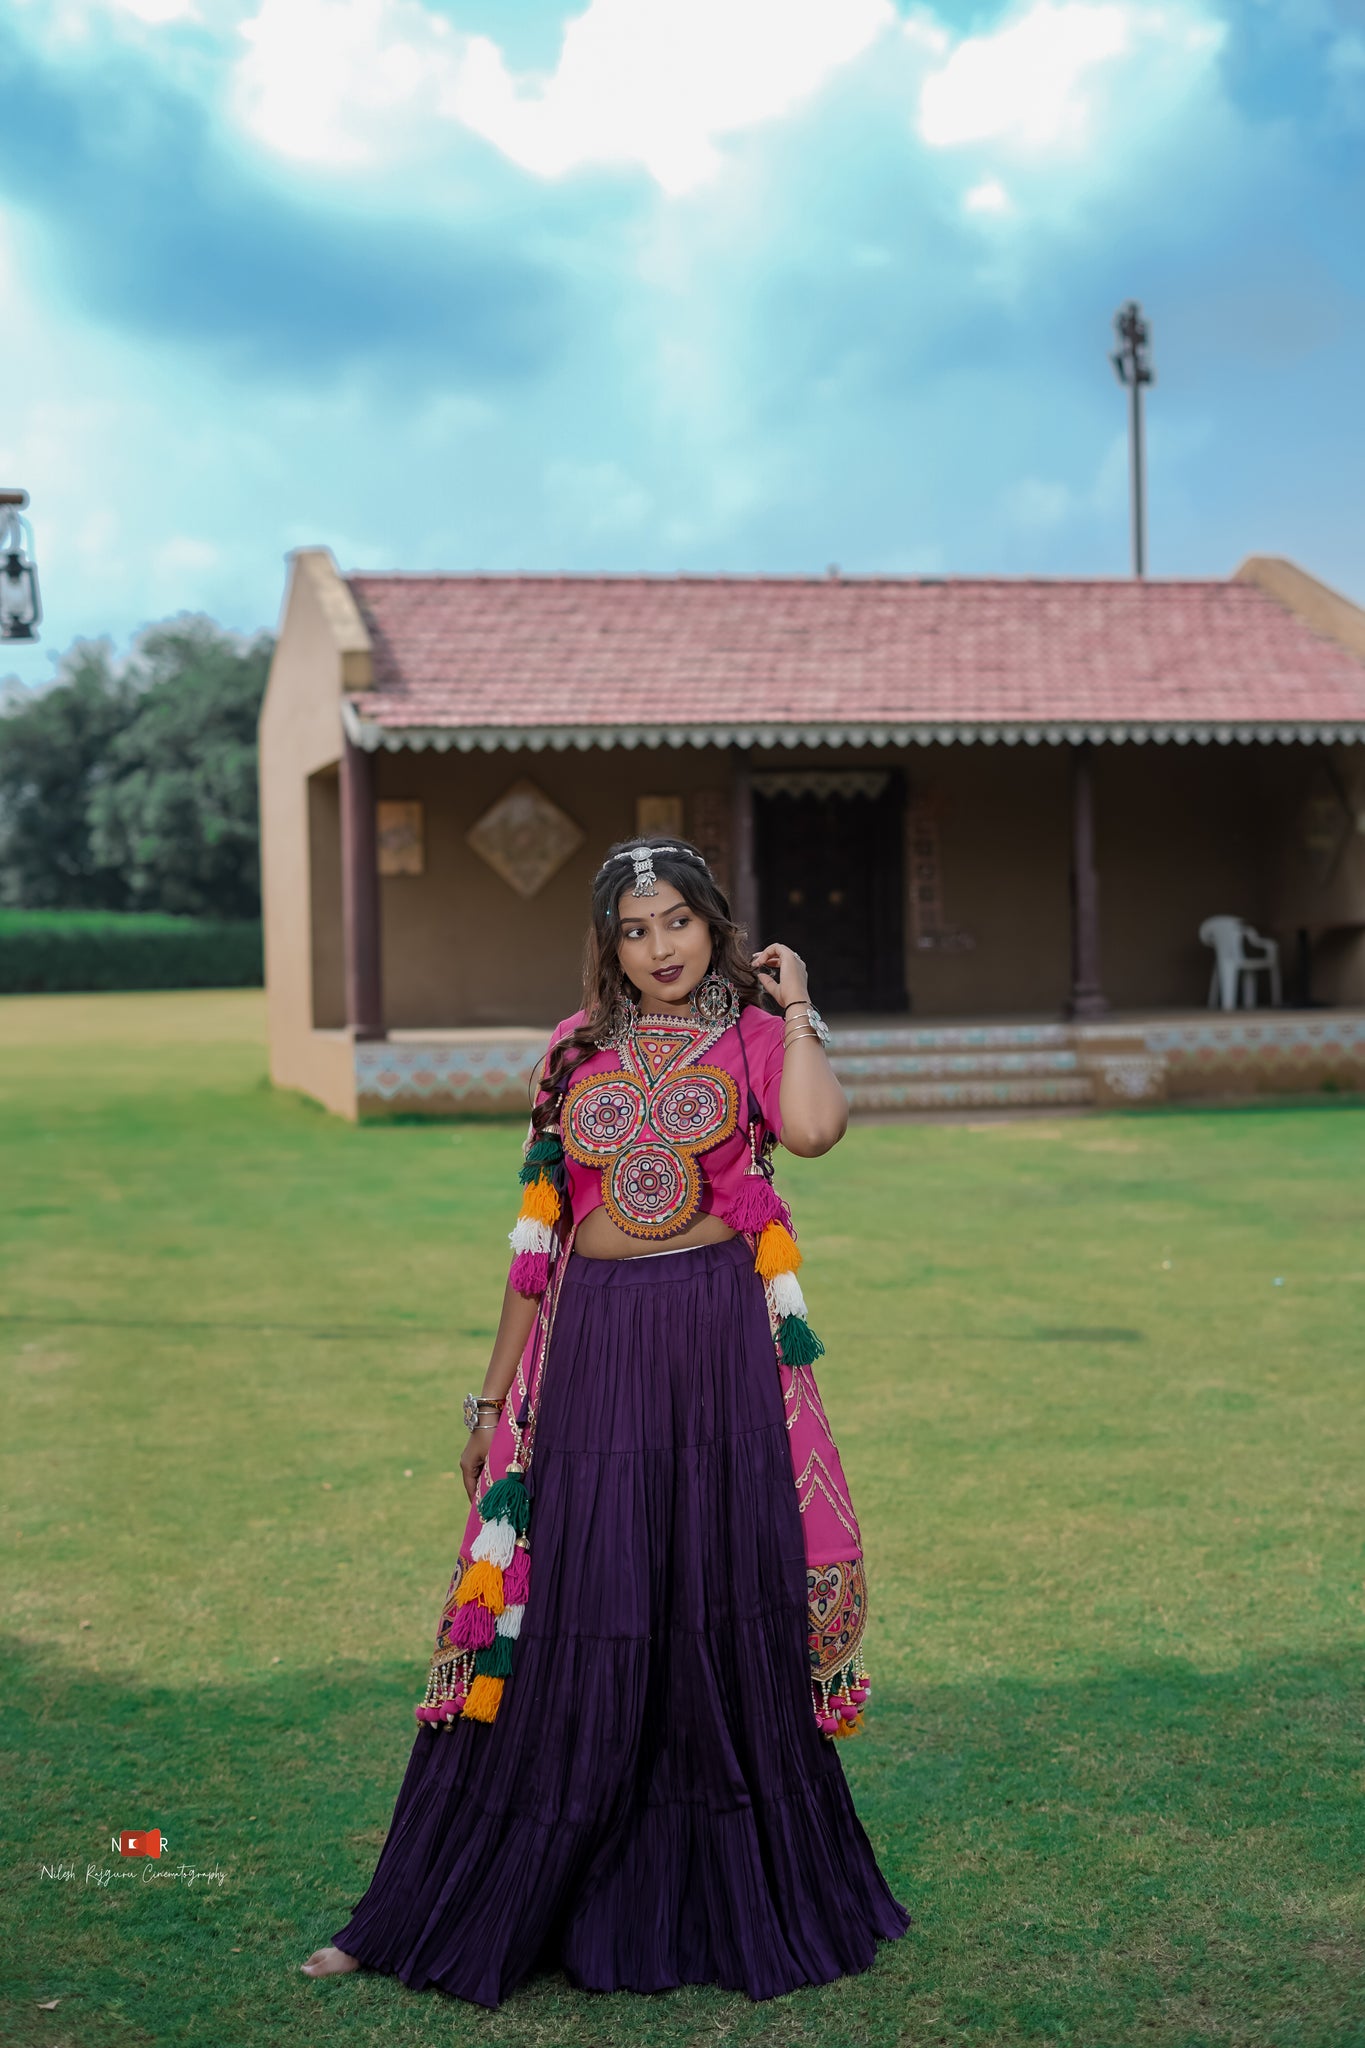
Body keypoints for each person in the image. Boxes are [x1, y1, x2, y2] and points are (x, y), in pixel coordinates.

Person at [301, 834, 909, 2005]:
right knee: (571, 1601)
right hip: (595, 1348)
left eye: (677, 921)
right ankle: (456, 1897)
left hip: (717, 1345)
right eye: (634, 931)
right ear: (608, 947)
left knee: (713, 1597)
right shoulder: (573, 1051)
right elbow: (538, 1240)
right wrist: (489, 1398)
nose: (659, 948)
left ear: (714, 924)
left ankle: (722, 1891)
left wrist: (804, 1006)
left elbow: (820, 1130)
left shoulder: (757, 1036)